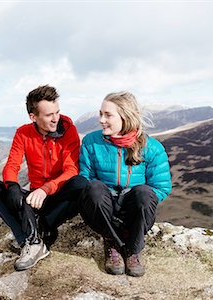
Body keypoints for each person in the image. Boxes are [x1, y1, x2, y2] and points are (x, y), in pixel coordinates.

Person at [0, 85, 87, 271]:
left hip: (57, 196)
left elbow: (71, 169)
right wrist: (13, 186)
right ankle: (31, 241)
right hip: (34, 199)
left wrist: (45, 189)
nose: (56, 118)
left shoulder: (68, 130)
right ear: (33, 117)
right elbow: (12, 165)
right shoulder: (23, 133)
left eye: (57, 112)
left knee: (80, 183)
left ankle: (39, 230)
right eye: (49, 115)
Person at [79, 91, 172, 277]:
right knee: (93, 188)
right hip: (103, 208)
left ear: (125, 117)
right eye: (100, 114)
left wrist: (138, 203)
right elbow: (85, 178)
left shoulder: (152, 147)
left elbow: (161, 187)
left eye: (108, 115)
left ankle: (133, 249)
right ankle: (112, 242)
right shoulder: (91, 142)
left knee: (145, 193)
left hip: (133, 210)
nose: (101, 120)